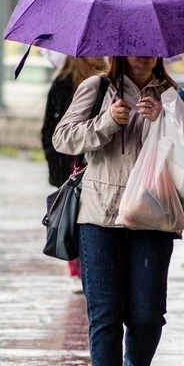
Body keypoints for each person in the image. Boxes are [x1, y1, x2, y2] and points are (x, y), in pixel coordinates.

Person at [52, 56, 178, 366]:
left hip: (152, 216)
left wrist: (165, 121)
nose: (142, 52)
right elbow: (63, 137)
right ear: (120, 48)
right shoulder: (95, 88)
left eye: (150, 45)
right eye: (134, 44)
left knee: (148, 316)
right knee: (105, 316)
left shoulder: (171, 96)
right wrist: (108, 122)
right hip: (100, 216)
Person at [41, 56, 106, 284]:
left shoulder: (108, 80)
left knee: (92, 215)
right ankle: (76, 268)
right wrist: (55, 160)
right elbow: (51, 126)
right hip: (71, 160)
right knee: (73, 214)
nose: (100, 54)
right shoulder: (63, 82)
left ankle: (91, 266)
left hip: (99, 156)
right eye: (94, 50)